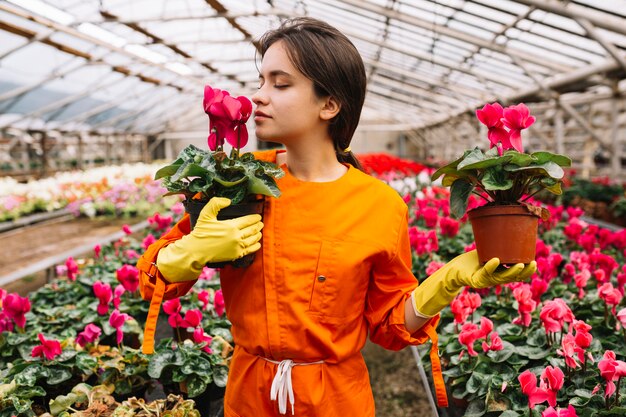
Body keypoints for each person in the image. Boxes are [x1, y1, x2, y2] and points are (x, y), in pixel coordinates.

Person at [138, 17, 536, 417]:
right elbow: (153, 280)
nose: (258, 96)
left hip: (336, 400)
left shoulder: (379, 205)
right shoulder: (236, 181)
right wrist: (189, 251)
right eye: (260, 81)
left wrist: (448, 280)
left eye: (280, 83)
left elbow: (388, 325)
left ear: (329, 104)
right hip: (249, 397)